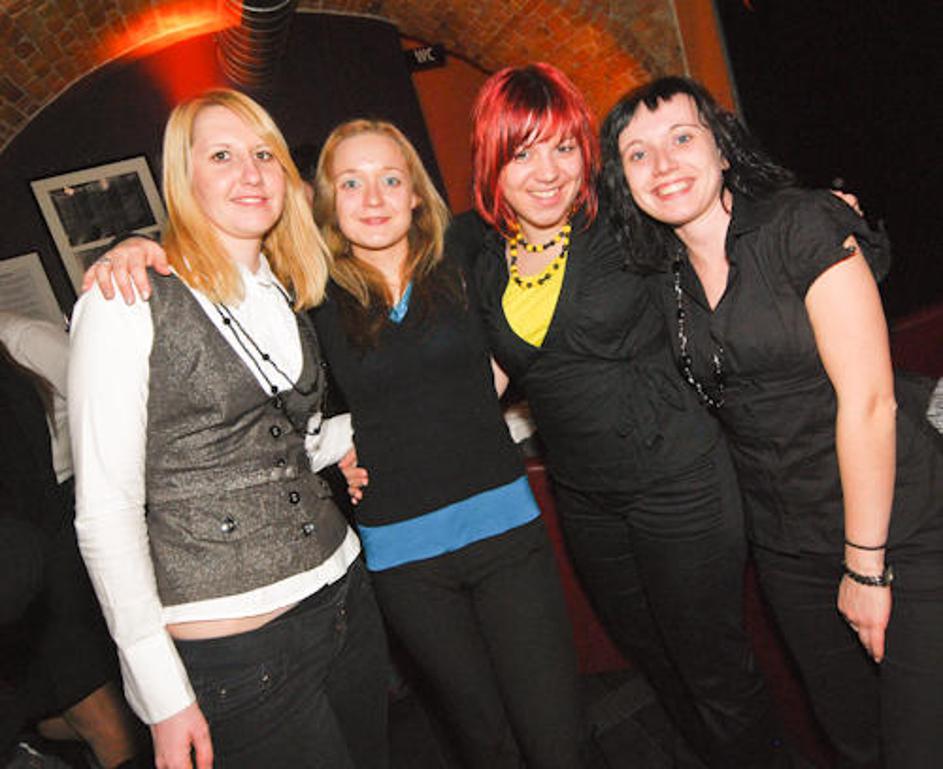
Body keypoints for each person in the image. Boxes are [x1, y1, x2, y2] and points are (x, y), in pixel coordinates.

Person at [81, 115, 586, 769]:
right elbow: (274, 401)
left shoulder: (467, 251)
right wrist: (134, 245)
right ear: (325, 201)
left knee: (557, 736)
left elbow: (545, 230)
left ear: (416, 192)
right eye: (350, 183)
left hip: (505, 532)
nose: (372, 198)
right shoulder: (307, 290)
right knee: (482, 739)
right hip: (404, 559)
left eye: (389, 179)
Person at [600, 75, 943, 769]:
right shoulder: (662, 278)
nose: (662, 164)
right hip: (788, 548)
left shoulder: (800, 225)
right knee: (854, 741)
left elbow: (869, 401)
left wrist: (865, 568)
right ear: (623, 181)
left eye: (681, 138)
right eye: (637, 153)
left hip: (896, 528)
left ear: (723, 149)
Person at [468, 63, 796, 768]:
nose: (547, 172)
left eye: (563, 147)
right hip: (587, 501)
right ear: (492, 162)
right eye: (522, 153)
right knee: (655, 660)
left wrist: (817, 217)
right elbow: (481, 377)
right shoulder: (489, 262)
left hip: (679, 483)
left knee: (713, 669)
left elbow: (719, 215)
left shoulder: (623, 223)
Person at [69, 89, 389, 769]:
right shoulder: (125, 298)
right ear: (182, 178)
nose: (250, 172)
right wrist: (160, 694)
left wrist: (355, 434)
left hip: (344, 595)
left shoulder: (281, 289)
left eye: (265, 154)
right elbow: (105, 513)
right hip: (239, 651)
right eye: (222, 155)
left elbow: (281, 442)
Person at [0, 336, 142, 769]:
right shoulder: (12, 364)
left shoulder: (17, 346)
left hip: (39, 583)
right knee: (91, 720)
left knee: (107, 725)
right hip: (46, 573)